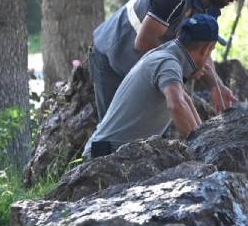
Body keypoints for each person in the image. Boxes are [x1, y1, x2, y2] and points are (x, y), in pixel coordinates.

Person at [90, 0, 248, 120]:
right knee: (110, 128)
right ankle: (99, 148)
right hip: (111, 53)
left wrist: (216, 85)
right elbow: (144, 42)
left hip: (140, 63)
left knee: (146, 130)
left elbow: (202, 50)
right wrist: (178, 71)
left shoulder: (212, 6)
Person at [85, 14, 225, 159]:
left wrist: (205, 141)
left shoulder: (163, 56)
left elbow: (185, 101)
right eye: (211, 52)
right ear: (206, 48)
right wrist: (202, 154)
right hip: (105, 155)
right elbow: (176, 106)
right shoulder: (168, 64)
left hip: (109, 151)